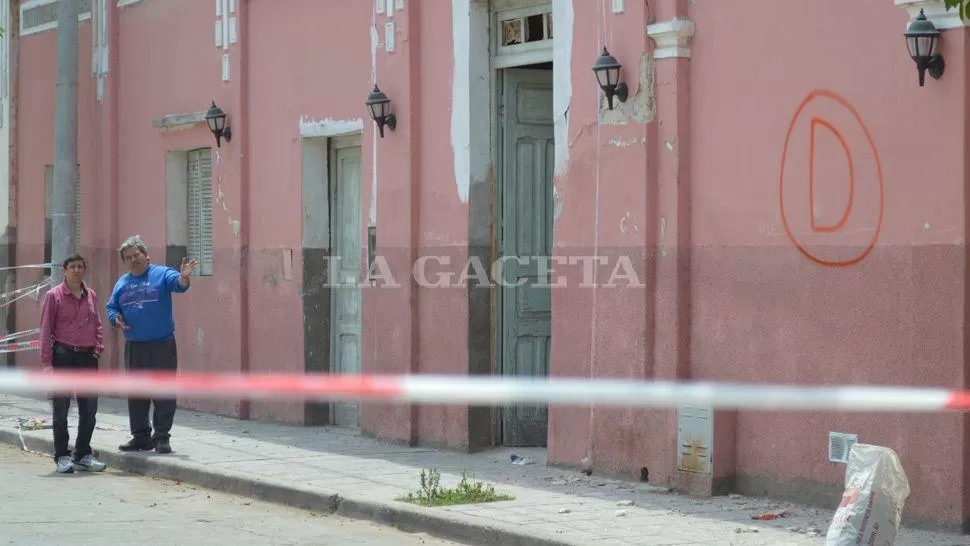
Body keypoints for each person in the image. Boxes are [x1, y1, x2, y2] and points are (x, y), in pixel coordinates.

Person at [105, 235, 197, 454]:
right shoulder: (122, 283)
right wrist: (115, 318)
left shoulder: (162, 273)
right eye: (128, 257)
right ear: (124, 262)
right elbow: (111, 307)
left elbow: (179, 284)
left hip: (161, 346)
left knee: (164, 394)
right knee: (137, 395)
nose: (133, 260)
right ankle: (140, 437)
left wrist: (184, 277)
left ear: (146, 256)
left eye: (136, 255)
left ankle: (162, 438)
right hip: (134, 347)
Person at [39, 253, 107, 474]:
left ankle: (83, 454)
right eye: (72, 267)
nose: (77, 270)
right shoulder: (54, 296)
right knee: (61, 410)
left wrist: (97, 348)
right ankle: (62, 456)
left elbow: (97, 323)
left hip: (87, 358)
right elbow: (45, 330)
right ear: (64, 270)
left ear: (84, 269)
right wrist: (47, 364)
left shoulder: (91, 295)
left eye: (80, 267)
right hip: (63, 356)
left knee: (89, 409)